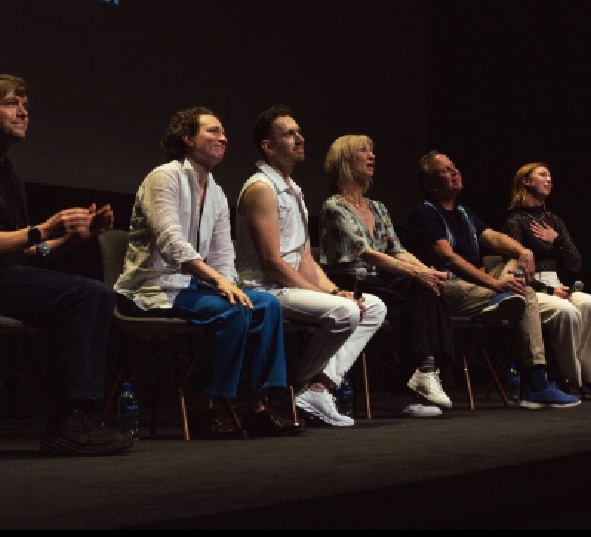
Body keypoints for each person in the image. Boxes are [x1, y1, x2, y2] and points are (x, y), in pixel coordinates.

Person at [0, 74, 133, 456]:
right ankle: (69, 420)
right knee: (84, 295)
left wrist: (76, 237)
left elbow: (28, 253)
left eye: (26, 107)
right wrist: (44, 228)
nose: (22, 113)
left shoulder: (7, 173)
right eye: (11, 104)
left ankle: (81, 415)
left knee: (97, 294)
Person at [113, 106, 305, 439]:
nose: (223, 137)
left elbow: (222, 256)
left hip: (194, 289)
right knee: (231, 312)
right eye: (212, 131)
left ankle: (257, 407)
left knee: (265, 305)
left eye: (223, 132)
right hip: (155, 289)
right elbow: (171, 241)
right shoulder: (165, 177)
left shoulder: (215, 191)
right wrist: (218, 283)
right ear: (187, 139)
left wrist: (229, 284)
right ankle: (204, 409)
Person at [235, 107, 388, 427]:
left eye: (299, 131)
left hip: (289, 286)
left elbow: (305, 259)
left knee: (372, 306)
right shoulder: (261, 187)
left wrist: (334, 290)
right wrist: (329, 297)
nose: (300, 138)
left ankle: (316, 387)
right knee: (345, 311)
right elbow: (272, 262)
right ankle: (294, 388)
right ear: (268, 146)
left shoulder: (295, 191)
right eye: (289, 134)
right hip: (264, 289)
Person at [404, 151, 580, 409]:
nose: (455, 172)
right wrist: (494, 284)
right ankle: (536, 383)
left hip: (474, 287)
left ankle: (502, 300)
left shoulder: (464, 212)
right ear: (430, 184)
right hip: (443, 289)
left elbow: (493, 237)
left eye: (454, 167)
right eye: (446, 170)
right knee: (524, 294)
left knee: (513, 267)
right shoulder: (425, 213)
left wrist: (524, 251)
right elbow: (449, 258)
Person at [318, 134, 455, 417]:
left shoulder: (378, 207)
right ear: (345, 162)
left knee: (429, 289)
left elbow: (397, 250)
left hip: (382, 279)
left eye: (372, 150)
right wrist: (419, 273)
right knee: (414, 292)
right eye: (363, 151)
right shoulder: (335, 206)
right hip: (349, 283)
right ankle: (413, 382)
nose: (372, 156)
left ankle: (420, 377)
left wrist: (427, 272)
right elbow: (366, 252)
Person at [501, 162, 591, 399]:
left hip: (558, 284)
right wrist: (547, 289)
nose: (549, 180)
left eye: (550, 175)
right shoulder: (515, 222)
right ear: (526, 182)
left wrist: (559, 240)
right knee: (566, 312)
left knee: (590, 304)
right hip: (531, 287)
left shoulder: (554, 221)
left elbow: (575, 264)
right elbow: (515, 271)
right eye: (543, 175)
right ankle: (572, 379)